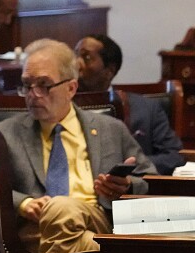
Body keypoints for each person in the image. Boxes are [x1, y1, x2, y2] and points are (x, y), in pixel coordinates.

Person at [0, 39, 155, 253]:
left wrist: (126, 186)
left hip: (97, 219)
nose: (33, 94)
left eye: (43, 84)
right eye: (26, 85)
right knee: (64, 213)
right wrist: (23, 203)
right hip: (37, 228)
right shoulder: (3, 133)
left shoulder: (110, 129)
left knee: (61, 207)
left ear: (71, 88)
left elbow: (150, 180)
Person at [76, 34, 184, 175]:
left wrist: (129, 167)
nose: (76, 64)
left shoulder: (147, 109)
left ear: (109, 71)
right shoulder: (61, 109)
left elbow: (174, 156)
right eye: (74, 56)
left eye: (87, 57)